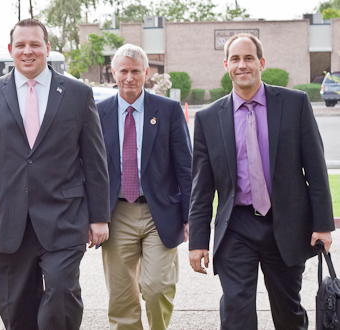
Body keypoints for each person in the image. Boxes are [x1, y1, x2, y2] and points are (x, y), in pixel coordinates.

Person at [0, 18, 110, 330]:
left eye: (35, 44)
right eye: (20, 45)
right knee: (16, 308)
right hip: (9, 220)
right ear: (10, 50)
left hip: (64, 217)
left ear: (47, 48)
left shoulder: (78, 94)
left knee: (62, 293)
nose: (28, 51)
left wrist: (99, 216)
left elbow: (94, 159)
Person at [188, 33, 335, 329]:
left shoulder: (295, 104)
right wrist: (198, 240)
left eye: (249, 58)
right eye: (236, 59)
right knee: (236, 311)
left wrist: (323, 226)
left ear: (261, 63)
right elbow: (201, 189)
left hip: (285, 224)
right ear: (226, 65)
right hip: (236, 227)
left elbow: (317, 171)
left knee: (288, 312)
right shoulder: (207, 118)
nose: (242, 65)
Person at [97, 44, 192, 330]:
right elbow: (87, 169)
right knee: (122, 296)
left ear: (146, 73)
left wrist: (190, 216)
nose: (129, 77)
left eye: (135, 71)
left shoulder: (168, 110)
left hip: (159, 213)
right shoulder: (97, 113)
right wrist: (92, 216)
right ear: (113, 73)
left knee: (157, 287)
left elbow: (185, 168)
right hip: (116, 214)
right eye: (123, 71)